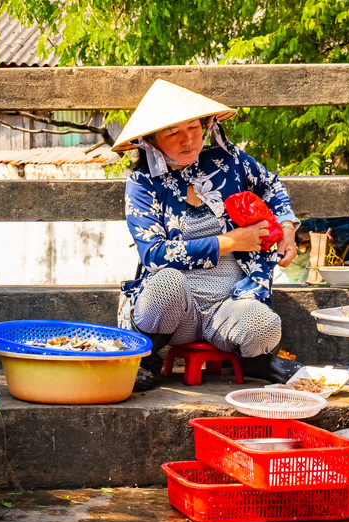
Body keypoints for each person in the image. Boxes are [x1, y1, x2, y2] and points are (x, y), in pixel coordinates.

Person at [113, 80, 301, 390]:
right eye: (173, 132)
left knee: (265, 326)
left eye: (194, 127)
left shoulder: (230, 164)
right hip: (175, 312)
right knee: (167, 283)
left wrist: (288, 231)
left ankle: (257, 361)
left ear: (207, 125)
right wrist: (232, 242)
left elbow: (272, 187)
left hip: (228, 305)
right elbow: (155, 253)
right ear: (151, 141)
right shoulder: (143, 183)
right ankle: (143, 358)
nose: (188, 140)